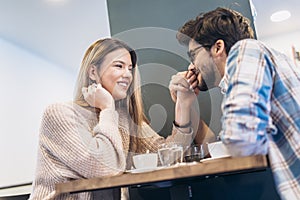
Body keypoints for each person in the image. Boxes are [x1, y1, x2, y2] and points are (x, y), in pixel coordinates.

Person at [29, 38, 195, 200]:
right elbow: (104, 168)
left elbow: (167, 157)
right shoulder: (60, 114)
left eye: (130, 68)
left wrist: (183, 104)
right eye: (119, 66)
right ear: (93, 72)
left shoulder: (123, 117)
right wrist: (107, 109)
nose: (127, 75)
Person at [169, 7, 300, 200]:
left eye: (193, 55)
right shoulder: (249, 70)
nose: (191, 66)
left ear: (218, 47)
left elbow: (241, 141)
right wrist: (186, 104)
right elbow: (217, 147)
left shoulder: (246, 50)